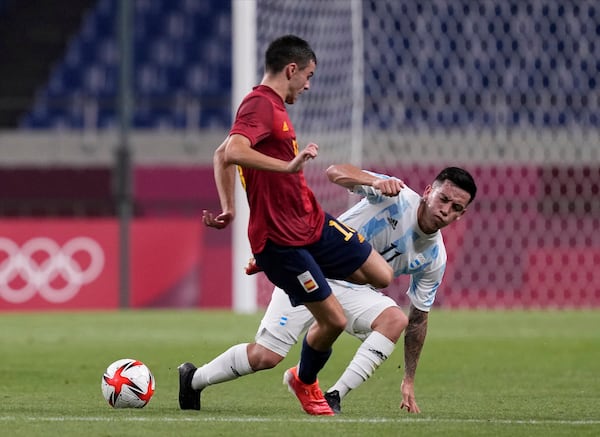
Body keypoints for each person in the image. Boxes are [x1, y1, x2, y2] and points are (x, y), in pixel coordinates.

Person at [180, 35, 396, 416]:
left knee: (379, 274)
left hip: (310, 222)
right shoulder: (259, 103)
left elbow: (221, 153)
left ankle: (283, 270)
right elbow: (231, 151)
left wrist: (229, 207)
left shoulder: (275, 108)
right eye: (308, 76)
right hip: (282, 240)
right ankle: (305, 381)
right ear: (291, 69)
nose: (309, 85)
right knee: (333, 321)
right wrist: (289, 166)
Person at [179, 163, 477, 415]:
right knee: (266, 357)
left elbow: (419, 319)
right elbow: (334, 172)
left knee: (395, 319)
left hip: (353, 289)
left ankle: (333, 396)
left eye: (455, 208)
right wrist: (374, 180)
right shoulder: (394, 195)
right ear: (428, 192)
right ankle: (193, 379)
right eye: (443, 199)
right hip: (309, 267)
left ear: (460, 215)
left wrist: (408, 379)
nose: (445, 210)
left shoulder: (435, 258)